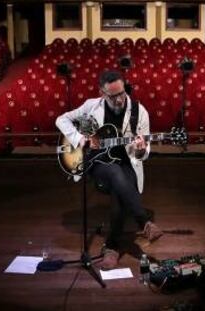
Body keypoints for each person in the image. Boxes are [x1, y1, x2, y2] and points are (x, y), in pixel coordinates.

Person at [56, 70, 163, 270]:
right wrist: (80, 139)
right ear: (102, 93)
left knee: (120, 190)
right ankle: (144, 222)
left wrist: (140, 149)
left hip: (127, 163)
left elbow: (144, 152)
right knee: (114, 172)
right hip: (97, 164)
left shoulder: (139, 112)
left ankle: (111, 249)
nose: (119, 99)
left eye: (122, 93)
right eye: (112, 96)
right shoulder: (91, 106)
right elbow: (61, 120)